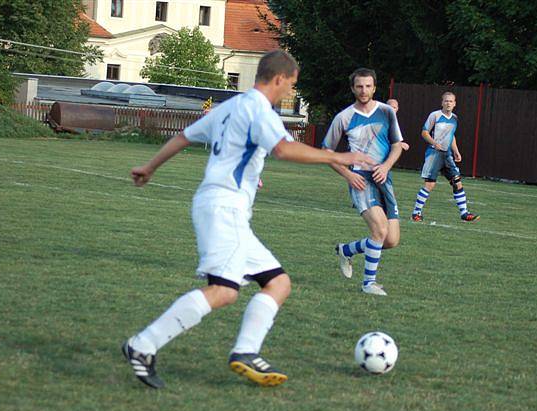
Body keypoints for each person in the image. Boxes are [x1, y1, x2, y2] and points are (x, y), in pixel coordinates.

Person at [122, 50, 374, 389]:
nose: (290, 91)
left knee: (278, 283)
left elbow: (185, 137)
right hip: (225, 208)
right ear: (279, 79)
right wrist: (338, 155)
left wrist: (150, 167)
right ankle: (143, 345)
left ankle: (245, 351)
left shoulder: (230, 107)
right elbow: (284, 149)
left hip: (223, 206)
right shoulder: (259, 108)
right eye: (291, 85)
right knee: (223, 291)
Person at [323, 68, 404, 296]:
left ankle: (346, 250)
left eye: (368, 86)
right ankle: (369, 283)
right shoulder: (344, 117)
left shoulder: (387, 112)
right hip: (360, 180)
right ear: (353, 89)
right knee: (379, 230)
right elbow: (327, 152)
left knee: (391, 240)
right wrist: (348, 175)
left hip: (384, 178)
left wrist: (386, 166)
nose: (363, 90)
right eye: (359, 86)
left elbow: (397, 145)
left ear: (374, 88)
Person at [411, 92, 479, 222]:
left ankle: (464, 214)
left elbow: (451, 135)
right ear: (442, 103)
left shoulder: (454, 118)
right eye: (446, 101)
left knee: (457, 183)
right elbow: (424, 132)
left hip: (447, 155)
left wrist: (456, 151)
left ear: (454, 104)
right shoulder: (435, 115)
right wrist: (434, 143)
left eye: (451, 101)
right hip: (434, 154)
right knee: (430, 185)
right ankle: (416, 213)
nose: (448, 103)